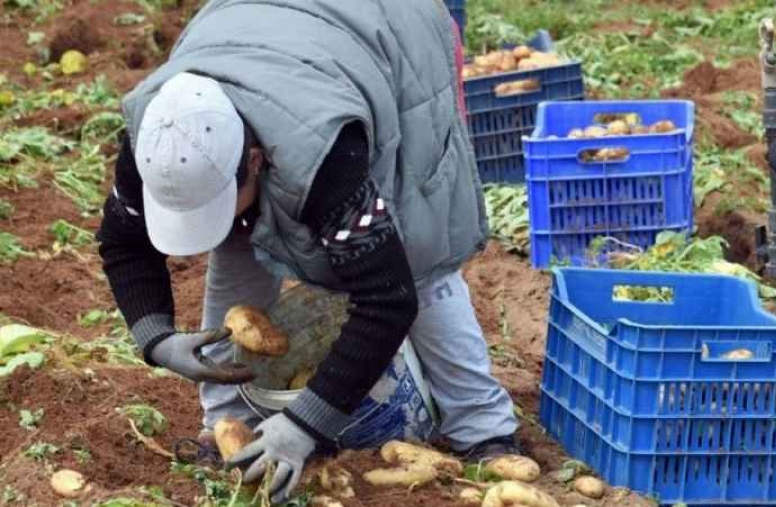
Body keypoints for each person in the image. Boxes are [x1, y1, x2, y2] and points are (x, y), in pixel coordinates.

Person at [95, 0, 520, 502]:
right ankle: (226, 423)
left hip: (389, 30)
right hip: (266, 33)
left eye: (220, 203)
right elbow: (122, 242)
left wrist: (305, 425)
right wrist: (157, 338)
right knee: (239, 242)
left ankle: (484, 426)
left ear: (254, 161)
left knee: (420, 256)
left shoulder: (328, 154)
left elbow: (388, 298)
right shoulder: (158, 138)